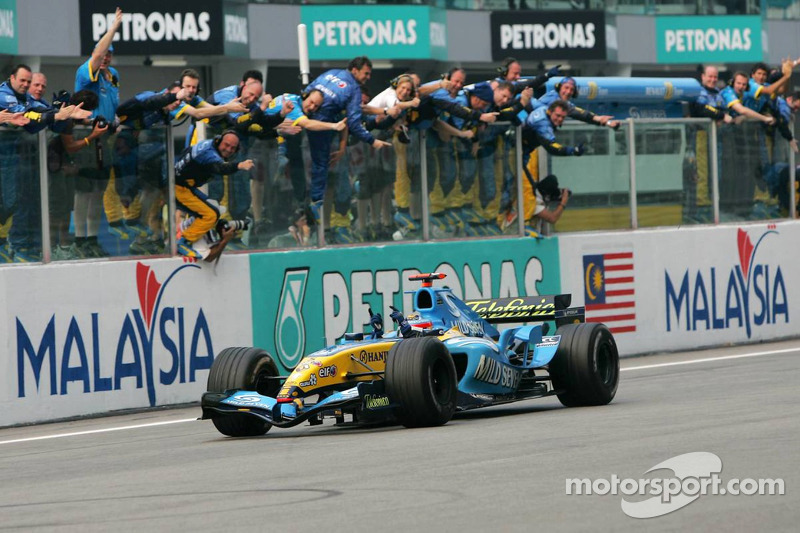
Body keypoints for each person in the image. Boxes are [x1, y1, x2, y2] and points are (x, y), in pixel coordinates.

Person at [0, 65, 90, 262]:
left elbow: (45, 117)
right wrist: (56, 115)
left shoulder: (29, 98)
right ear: (12, 78)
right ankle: (14, 245)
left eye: (28, 82)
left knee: (30, 202)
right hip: (5, 159)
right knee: (10, 203)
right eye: (23, 80)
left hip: (24, 160)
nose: (26, 85)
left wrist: (64, 113)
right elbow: (28, 118)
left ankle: (28, 246)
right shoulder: (4, 95)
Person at [303, 56, 392, 226]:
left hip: (304, 122)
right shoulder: (353, 89)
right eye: (366, 73)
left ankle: (313, 208)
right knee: (322, 168)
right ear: (355, 70)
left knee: (315, 171)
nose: (368, 77)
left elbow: (307, 91)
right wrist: (372, 141)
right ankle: (315, 207)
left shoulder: (330, 73)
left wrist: (305, 112)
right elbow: (353, 123)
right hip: (322, 130)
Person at [74, 7, 132, 243]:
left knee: (98, 191)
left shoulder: (113, 74)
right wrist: (113, 28)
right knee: (83, 191)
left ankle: (91, 239)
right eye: (103, 53)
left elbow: (113, 102)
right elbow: (96, 58)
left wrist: (116, 120)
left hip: (105, 138)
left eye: (110, 54)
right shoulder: (86, 72)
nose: (106, 57)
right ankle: (79, 239)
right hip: (86, 136)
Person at [174, 130, 255, 258]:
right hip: (179, 188)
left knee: (213, 209)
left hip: (183, 185)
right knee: (211, 215)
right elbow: (221, 168)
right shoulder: (210, 154)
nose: (228, 150)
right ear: (218, 141)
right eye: (226, 145)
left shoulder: (208, 144)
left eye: (233, 148)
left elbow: (186, 152)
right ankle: (184, 241)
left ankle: (188, 235)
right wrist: (240, 165)